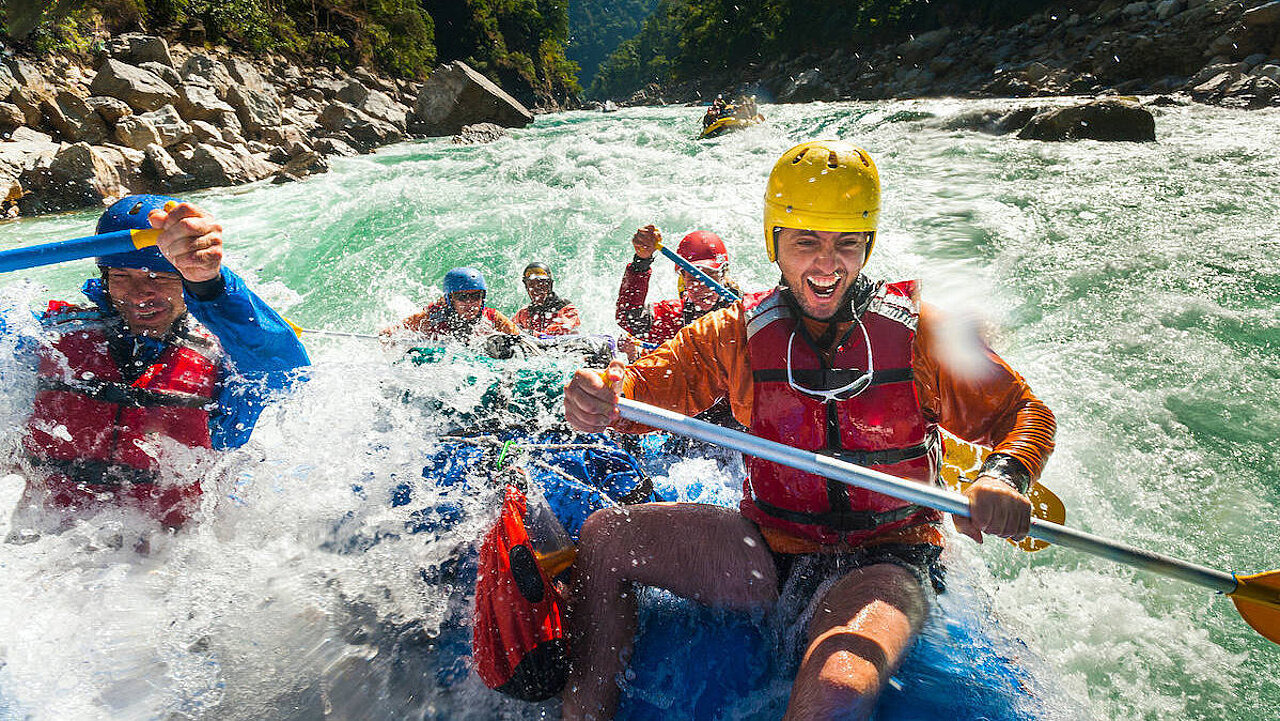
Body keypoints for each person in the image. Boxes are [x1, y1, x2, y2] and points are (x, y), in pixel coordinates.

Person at [562, 140, 1056, 720]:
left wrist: (1006, 474)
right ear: (776, 244)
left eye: (847, 242)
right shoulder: (738, 332)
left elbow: (1025, 412)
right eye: (807, 242)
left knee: (839, 687)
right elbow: (641, 385)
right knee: (605, 537)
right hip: (768, 547)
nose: (827, 264)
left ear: (867, 246)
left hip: (885, 556)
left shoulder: (920, 333)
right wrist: (599, 391)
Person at [7, 194, 310, 535]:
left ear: (186, 281)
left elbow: (287, 373)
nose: (139, 295)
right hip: (45, 545)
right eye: (122, 275)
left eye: (159, 277)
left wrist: (210, 285)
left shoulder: (224, 358)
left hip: (170, 559)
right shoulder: (47, 334)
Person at [615, 226, 740, 350]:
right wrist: (641, 262)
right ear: (683, 280)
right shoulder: (676, 317)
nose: (701, 287)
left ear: (722, 275)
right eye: (692, 279)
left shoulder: (744, 311)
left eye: (709, 277)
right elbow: (628, 319)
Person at [386, 266, 518, 342]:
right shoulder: (434, 316)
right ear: (450, 299)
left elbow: (521, 338)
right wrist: (389, 334)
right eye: (462, 297)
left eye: (475, 296)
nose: (470, 303)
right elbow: (399, 328)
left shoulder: (492, 318)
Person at [512, 262, 580, 336]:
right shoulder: (523, 313)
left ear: (549, 285)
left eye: (541, 284)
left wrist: (531, 334)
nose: (536, 289)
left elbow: (561, 333)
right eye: (531, 284)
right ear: (527, 287)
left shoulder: (566, 309)